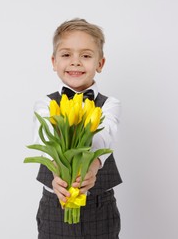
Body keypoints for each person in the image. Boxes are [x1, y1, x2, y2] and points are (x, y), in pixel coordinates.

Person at [32, 18, 122, 238]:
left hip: (100, 206)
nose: (75, 62)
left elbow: (104, 137)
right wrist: (58, 173)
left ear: (100, 64)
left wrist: (92, 166)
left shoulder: (109, 105)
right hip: (55, 205)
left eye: (86, 55)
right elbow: (46, 143)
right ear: (54, 62)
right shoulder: (46, 105)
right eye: (66, 55)